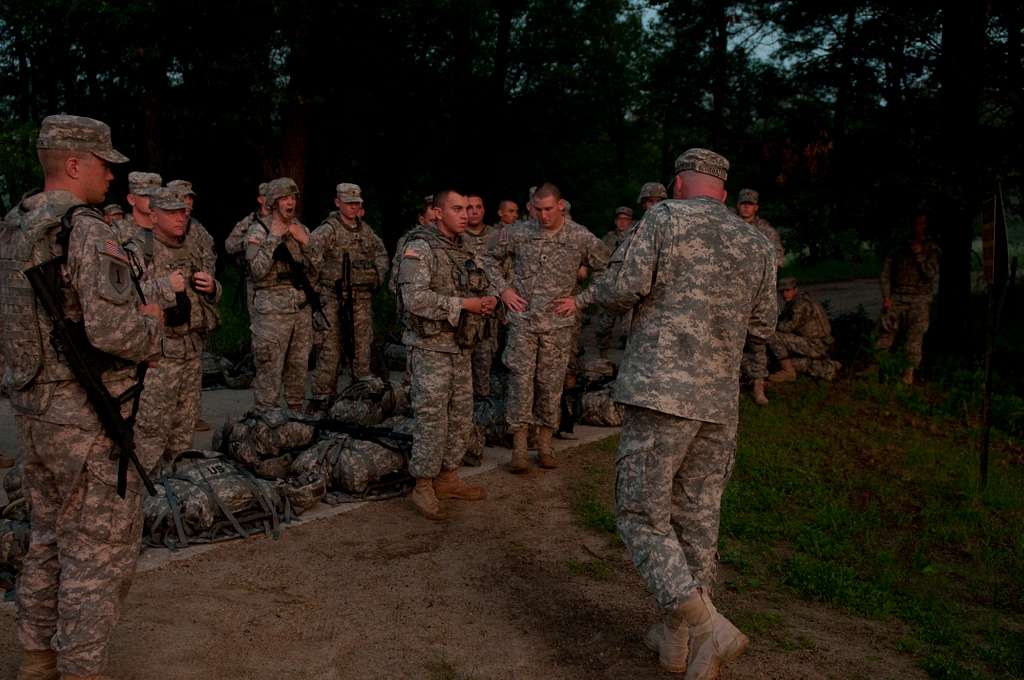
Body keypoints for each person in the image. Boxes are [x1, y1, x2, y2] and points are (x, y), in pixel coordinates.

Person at [554, 148, 776, 677]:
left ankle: (707, 627)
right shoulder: (757, 241)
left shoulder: (665, 219)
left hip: (661, 393)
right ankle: (678, 645)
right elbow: (764, 324)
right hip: (718, 402)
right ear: (723, 190)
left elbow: (624, 286)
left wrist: (583, 300)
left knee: (640, 514)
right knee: (697, 516)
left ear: (679, 184)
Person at [2, 114, 162, 680]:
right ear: (74, 164)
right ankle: (81, 671)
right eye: (103, 164)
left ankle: (37, 657)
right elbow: (112, 332)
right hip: (85, 417)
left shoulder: (14, 226)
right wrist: (152, 325)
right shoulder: (84, 228)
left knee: (46, 537)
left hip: (33, 410)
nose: (112, 176)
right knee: (99, 552)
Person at [483, 182, 608, 471]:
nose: (543, 216)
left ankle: (545, 443)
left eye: (549, 209)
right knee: (519, 383)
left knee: (550, 385)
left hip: (558, 326)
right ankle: (519, 447)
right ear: (531, 207)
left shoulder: (579, 236)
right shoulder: (518, 232)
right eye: (538, 210)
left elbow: (608, 267)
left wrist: (581, 300)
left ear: (560, 205)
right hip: (523, 323)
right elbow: (485, 256)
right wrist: (503, 290)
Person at [396, 189, 496, 520]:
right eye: (457, 208)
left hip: (459, 346)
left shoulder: (463, 249)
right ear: (437, 213)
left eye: (468, 208)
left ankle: (448, 476)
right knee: (431, 415)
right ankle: (423, 484)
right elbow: (416, 300)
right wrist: (463, 305)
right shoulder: (419, 247)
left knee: (461, 414)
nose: (465, 214)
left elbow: (479, 283)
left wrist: (486, 299)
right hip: (429, 347)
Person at [131, 187, 221, 474]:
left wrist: (213, 287)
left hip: (191, 350)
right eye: (171, 212)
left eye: (182, 211)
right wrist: (165, 286)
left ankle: (177, 494)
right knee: (151, 432)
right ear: (154, 215)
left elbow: (207, 292)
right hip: (159, 355)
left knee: (184, 431)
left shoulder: (191, 247)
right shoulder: (137, 249)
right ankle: (144, 501)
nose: (180, 218)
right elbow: (124, 297)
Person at [307, 183, 389, 409]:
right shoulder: (328, 230)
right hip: (333, 299)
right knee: (329, 352)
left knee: (362, 351)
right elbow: (310, 260)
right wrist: (317, 293)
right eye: (349, 203)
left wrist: (376, 278)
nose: (353, 208)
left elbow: (381, 255)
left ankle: (359, 399)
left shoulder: (366, 231)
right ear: (338, 203)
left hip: (361, 299)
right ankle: (322, 400)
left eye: (357, 203)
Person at [245, 177, 317, 412]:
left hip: (300, 309)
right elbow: (256, 271)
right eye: (285, 198)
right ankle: (265, 421)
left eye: (293, 197)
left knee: (299, 367)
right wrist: (273, 238)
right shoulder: (258, 231)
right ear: (274, 202)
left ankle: (295, 419)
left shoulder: (300, 228)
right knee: (270, 370)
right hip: (271, 313)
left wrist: (306, 242)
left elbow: (319, 269)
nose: (290, 203)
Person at [166, 179, 218, 431]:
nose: (187, 203)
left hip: (197, 307)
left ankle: (191, 413)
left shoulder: (198, 231)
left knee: (194, 364)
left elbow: (209, 262)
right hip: (171, 307)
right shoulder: (160, 233)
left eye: (190, 198)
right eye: (182, 197)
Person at [876, 212, 940, 385]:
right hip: (897, 297)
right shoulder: (898, 249)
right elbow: (885, 275)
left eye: (921, 224)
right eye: (916, 224)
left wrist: (919, 255)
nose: (918, 227)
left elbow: (930, 273)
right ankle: (881, 371)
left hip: (919, 299)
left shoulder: (931, 249)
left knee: (914, 339)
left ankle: (908, 374)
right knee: (885, 335)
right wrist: (886, 297)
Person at [462, 193, 501, 398]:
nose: (474, 211)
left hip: (488, 314)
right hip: (463, 314)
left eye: (478, 207)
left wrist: (496, 298)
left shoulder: (497, 236)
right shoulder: (457, 237)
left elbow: (507, 270)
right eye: (469, 207)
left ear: (484, 210)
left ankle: (483, 409)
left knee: (484, 363)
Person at [766, 277, 835, 381]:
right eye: (782, 291)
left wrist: (769, 324)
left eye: (788, 290)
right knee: (782, 361)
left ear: (795, 290)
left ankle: (788, 371)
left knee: (772, 335)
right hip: (819, 343)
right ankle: (823, 365)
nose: (784, 294)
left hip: (815, 344)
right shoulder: (800, 300)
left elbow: (787, 328)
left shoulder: (799, 305)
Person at [594, 206, 635, 359]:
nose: (622, 223)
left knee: (629, 328)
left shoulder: (636, 237)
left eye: (626, 220)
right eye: (620, 219)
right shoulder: (608, 238)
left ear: (631, 222)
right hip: (609, 287)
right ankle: (602, 357)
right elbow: (598, 259)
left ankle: (628, 357)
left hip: (627, 287)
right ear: (615, 221)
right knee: (603, 326)